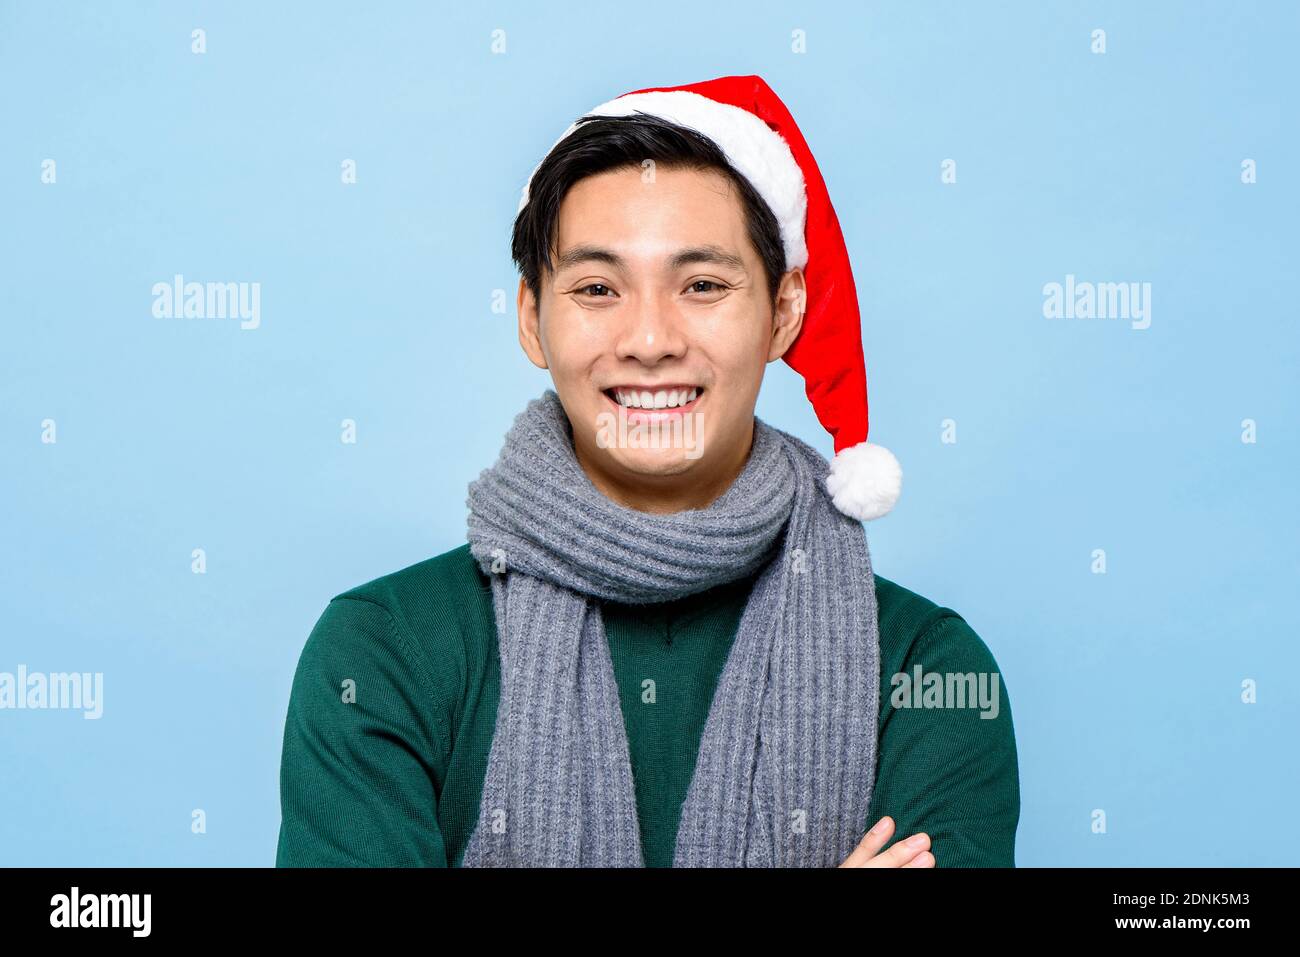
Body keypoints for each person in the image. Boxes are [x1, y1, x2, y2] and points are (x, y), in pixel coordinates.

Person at [276, 74, 1019, 868]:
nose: (651, 338)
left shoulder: (923, 669)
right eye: (598, 288)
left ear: (784, 310)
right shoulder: (386, 650)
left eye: (702, 285)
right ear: (533, 317)